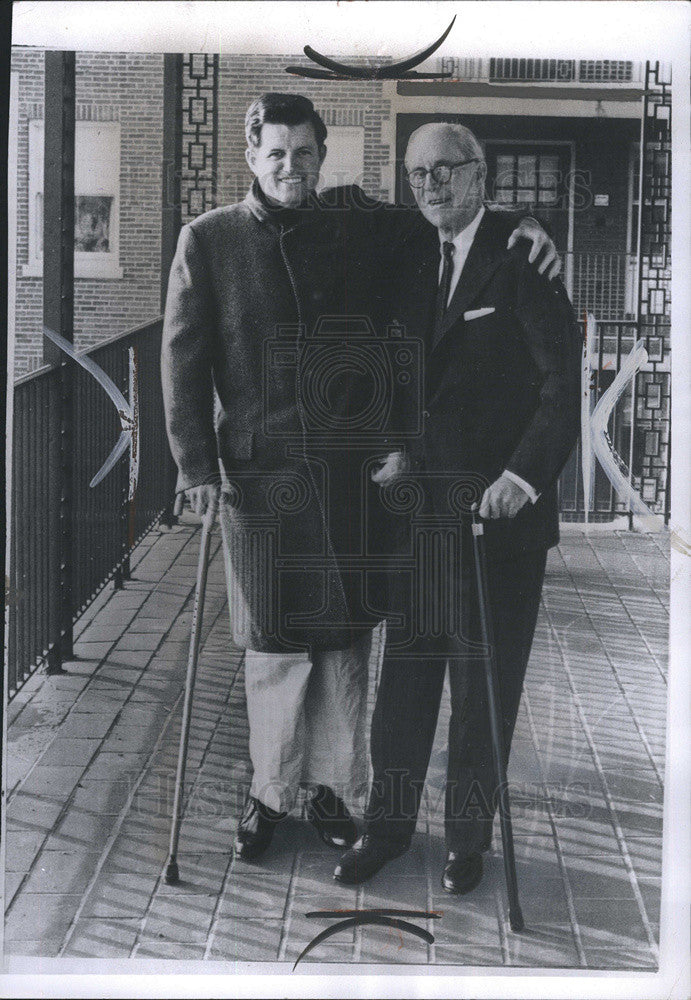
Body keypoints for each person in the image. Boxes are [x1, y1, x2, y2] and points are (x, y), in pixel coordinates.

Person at [162, 96, 559, 866]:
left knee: (343, 641)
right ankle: (269, 796)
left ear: (321, 157)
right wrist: (194, 468)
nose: (291, 167)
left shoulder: (353, 224)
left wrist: (529, 226)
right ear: (251, 155)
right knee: (273, 645)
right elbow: (181, 360)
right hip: (257, 478)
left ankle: (334, 793)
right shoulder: (206, 240)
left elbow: (449, 214)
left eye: (305, 153)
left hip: (348, 476)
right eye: (276, 153)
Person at [334, 122, 582, 894]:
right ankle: (387, 828)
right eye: (417, 174)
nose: (431, 185)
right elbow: (411, 376)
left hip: (500, 520)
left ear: (481, 175)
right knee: (405, 680)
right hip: (422, 514)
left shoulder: (519, 256)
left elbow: (559, 382)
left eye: (447, 170)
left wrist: (522, 476)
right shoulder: (411, 252)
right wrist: (400, 448)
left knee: (483, 688)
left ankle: (466, 842)